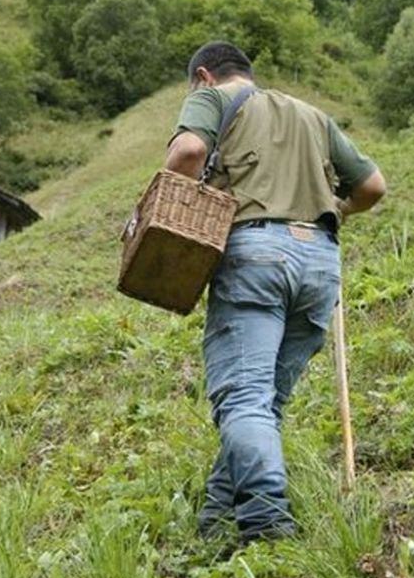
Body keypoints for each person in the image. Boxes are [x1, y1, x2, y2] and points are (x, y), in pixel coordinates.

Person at [164, 41, 386, 544]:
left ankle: (266, 521)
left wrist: (167, 206)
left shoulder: (212, 97)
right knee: (261, 404)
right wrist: (332, 209)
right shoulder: (311, 115)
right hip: (320, 263)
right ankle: (217, 523)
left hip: (255, 255)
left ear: (204, 76)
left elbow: (189, 151)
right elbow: (372, 187)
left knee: (243, 398)